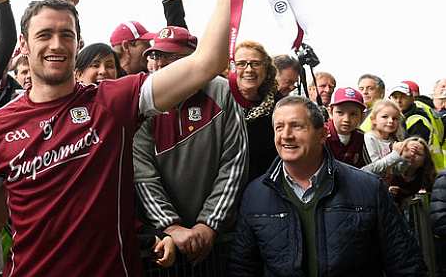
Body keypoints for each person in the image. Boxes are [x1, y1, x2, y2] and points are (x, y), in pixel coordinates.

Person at [0, 0, 231, 276]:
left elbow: (206, 63)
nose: (57, 44)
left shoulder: (115, 101)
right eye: (44, 35)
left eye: (66, 35)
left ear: (78, 43)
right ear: (24, 45)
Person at [229, 96, 427, 276]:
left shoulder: (368, 188)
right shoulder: (256, 194)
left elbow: (404, 261)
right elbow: (243, 267)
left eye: (297, 126)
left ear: (323, 135)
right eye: (279, 127)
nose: (286, 135)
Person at [134, 26, 247, 275]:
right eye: (155, 56)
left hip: (217, 240)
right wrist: (171, 227)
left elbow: (235, 164)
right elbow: (142, 174)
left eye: (172, 57)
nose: (161, 64)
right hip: (164, 243)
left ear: (195, 58)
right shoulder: (141, 99)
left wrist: (209, 224)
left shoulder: (223, 91)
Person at [234, 40, 279, 182]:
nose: (249, 69)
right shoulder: (219, 101)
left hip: (264, 184)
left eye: (256, 63)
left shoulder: (279, 106)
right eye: (241, 64)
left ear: (266, 69)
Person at [324, 87, 366, 167]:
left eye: (353, 114)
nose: (346, 119)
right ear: (330, 112)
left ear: (362, 116)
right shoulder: (320, 135)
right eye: (340, 112)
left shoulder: (362, 138)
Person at [364, 99, 405, 164]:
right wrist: (395, 154)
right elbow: (374, 166)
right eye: (385, 117)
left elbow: (397, 169)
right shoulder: (369, 138)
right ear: (373, 119)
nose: (391, 121)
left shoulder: (394, 140)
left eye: (395, 118)